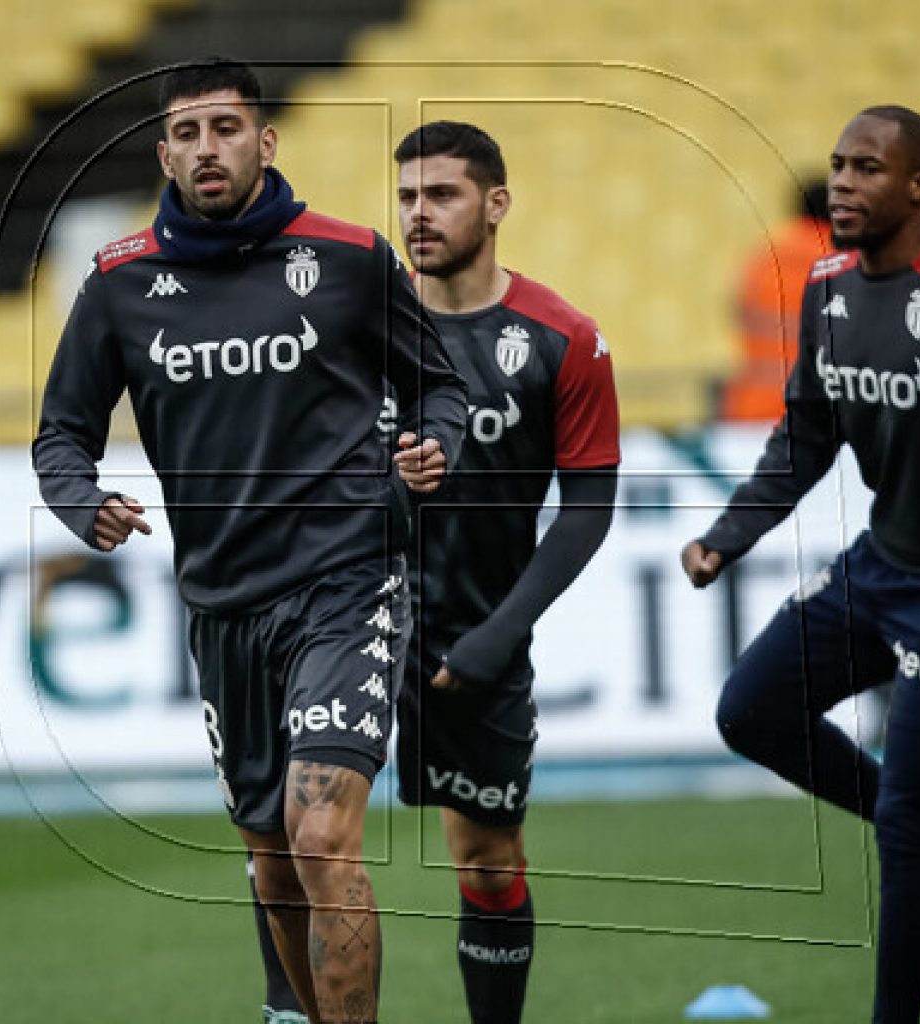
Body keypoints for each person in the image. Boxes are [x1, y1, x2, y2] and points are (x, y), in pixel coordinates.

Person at [32, 59, 468, 1024]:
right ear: (164, 154)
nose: (207, 149)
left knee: (321, 842)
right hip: (224, 606)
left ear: (265, 142)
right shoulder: (119, 284)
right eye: (186, 135)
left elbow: (443, 384)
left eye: (225, 129)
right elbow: (62, 431)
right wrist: (79, 499)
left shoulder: (350, 258)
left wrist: (434, 441)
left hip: (348, 583)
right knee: (272, 855)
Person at [681, 105, 920, 1023]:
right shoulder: (826, 287)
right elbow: (806, 435)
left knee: (913, 836)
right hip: (882, 567)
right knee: (750, 710)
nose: (843, 182)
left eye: (868, 168)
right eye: (837, 165)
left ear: (918, 186)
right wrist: (728, 535)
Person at [392, 120, 619, 1022]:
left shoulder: (563, 338)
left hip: (470, 634)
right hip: (346, 619)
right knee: (305, 833)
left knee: (486, 860)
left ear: (496, 204)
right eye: (406, 195)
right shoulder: (351, 322)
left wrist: (496, 638)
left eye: (440, 194)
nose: (418, 213)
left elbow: (588, 508)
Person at [720, 176, 831, 421]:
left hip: (753, 409)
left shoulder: (760, 257)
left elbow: (737, 313)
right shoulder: (844, 262)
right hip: (817, 416)